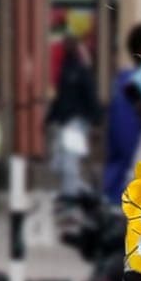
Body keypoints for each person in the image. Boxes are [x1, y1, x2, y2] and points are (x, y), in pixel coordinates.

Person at [102, 23, 141, 204]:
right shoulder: (138, 84)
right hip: (132, 182)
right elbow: (128, 140)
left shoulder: (124, 81)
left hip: (122, 180)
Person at [46, 35, 99, 198]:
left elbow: (90, 96)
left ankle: (70, 195)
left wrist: (95, 119)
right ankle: (79, 191)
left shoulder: (81, 71)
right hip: (64, 121)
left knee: (70, 161)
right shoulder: (65, 69)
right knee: (58, 163)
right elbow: (60, 97)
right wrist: (50, 118)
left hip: (76, 122)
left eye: (70, 45)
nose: (67, 48)